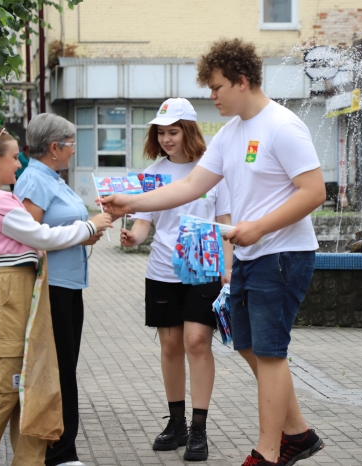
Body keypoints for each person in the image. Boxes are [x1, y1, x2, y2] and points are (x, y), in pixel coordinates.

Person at [101, 39, 326, 466]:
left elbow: (314, 192)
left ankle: (268, 450)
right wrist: (129, 204)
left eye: (218, 86)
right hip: (250, 256)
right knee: (245, 343)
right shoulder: (231, 133)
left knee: (269, 352)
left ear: (242, 82)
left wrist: (258, 227)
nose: (212, 95)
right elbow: (188, 186)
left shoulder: (283, 126)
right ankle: (298, 433)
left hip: (281, 255)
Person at [0, 128, 112, 466]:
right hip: (6, 291)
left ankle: (31, 460)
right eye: (13, 158)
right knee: (7, 384)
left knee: (28, 383)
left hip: (15, 289)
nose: (18, 165)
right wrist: (90, 227)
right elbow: (40, 236)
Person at [120, 98, 232, 462]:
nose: (167, 138)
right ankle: (177, 423)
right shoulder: (152, 173)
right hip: (163, 270)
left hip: (203, 266)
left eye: (173, 131)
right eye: (161, 132)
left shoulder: (213, 170)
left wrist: (228, 270)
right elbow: (142, 224)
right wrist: (133, 238)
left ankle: (199, 429)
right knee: (169, 346)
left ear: (189, 130)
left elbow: (226, 221)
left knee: (197, 342)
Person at [14, 113, 102, 466]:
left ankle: (62, 448)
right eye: (70, 144)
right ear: (53, 148)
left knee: (66, 365)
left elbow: (65, 224)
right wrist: (85, 229)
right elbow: (30, 237)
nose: (73, 150)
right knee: (60, 367)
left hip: (69, 285)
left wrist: (89, 229)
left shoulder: (52, 177)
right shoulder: (35, 181)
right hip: (53, 287)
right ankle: (60, 452)